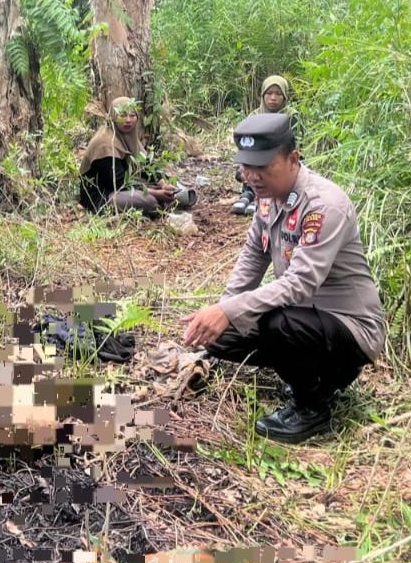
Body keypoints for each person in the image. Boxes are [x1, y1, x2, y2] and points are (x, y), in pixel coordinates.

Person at [181, 113, 385, 443]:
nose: (252, 176)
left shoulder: (323, 206)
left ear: (293, 158)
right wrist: (221, 311)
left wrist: (230, 311)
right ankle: (319, 375)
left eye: (262, 167)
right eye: (247, 167)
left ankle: (312, 406)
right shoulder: (269, 200)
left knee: (279, 325)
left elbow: (300, 283)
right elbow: (252, 258)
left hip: (348, 326)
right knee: (218, 338)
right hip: (301, 315)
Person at [78, 97, 190, 216]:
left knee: (172, 186)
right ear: (113, 117)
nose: (128, 120)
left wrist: (163, 183)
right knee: (149, 201)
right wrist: (156, 193)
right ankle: (161, 202)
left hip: (125, 188)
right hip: (103, 196)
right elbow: (119, 183)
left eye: (132, 115)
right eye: (123, 115)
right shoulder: (105, 143)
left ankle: (170, 198)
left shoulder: (129, 137)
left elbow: (145, 165)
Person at [231, 74, 296, 216]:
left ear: (285, 97)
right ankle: (248, 194)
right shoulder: (254, 117)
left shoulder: (291, 117)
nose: (273, 98)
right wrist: (242, 169)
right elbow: (245, 148)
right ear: (262, 95)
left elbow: (296, 146)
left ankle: (264, 200)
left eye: (278, 94)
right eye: (269, 93)